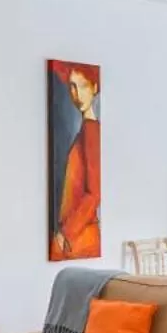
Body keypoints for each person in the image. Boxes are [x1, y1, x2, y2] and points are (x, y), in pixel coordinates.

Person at [51, 65, 101, 260]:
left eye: (82, 85)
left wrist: (66, 232)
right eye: (72, 86)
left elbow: (94, 194)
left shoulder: (91, 132)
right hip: (78, 236)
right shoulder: (86, 131)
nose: (77, 93)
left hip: (80, 236)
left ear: (95, 88)